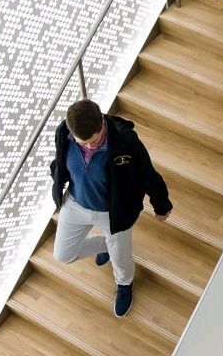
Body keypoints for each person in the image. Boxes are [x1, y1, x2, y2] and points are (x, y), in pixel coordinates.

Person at [50, 98, 172, 319]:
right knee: (63, 254)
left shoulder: (125, 141)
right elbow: (59, 162)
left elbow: (148, 174)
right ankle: (105, 246)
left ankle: (124, 284)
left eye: (95, 140)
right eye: (83, 142)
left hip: (114, 213)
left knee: (121, 259)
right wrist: (57, 180)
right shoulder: (64, 134)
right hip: (76, 205)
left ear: (102, 123)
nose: (89, 147)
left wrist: (161, 205)